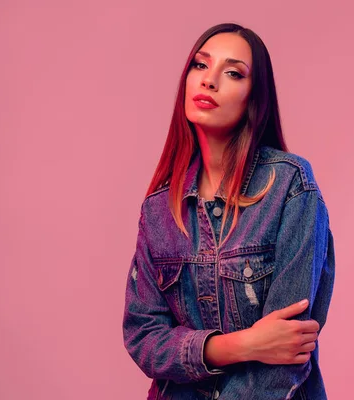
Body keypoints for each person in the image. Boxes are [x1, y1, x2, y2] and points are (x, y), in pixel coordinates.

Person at [123, 22, 335, 399]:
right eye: (200, 66)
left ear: (255, 98)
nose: (209, 81)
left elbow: (287, 352)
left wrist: (246, 347)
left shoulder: (290, 186)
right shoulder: (158, 210)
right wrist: (245, 344)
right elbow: (144, 337)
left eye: (233, 72)